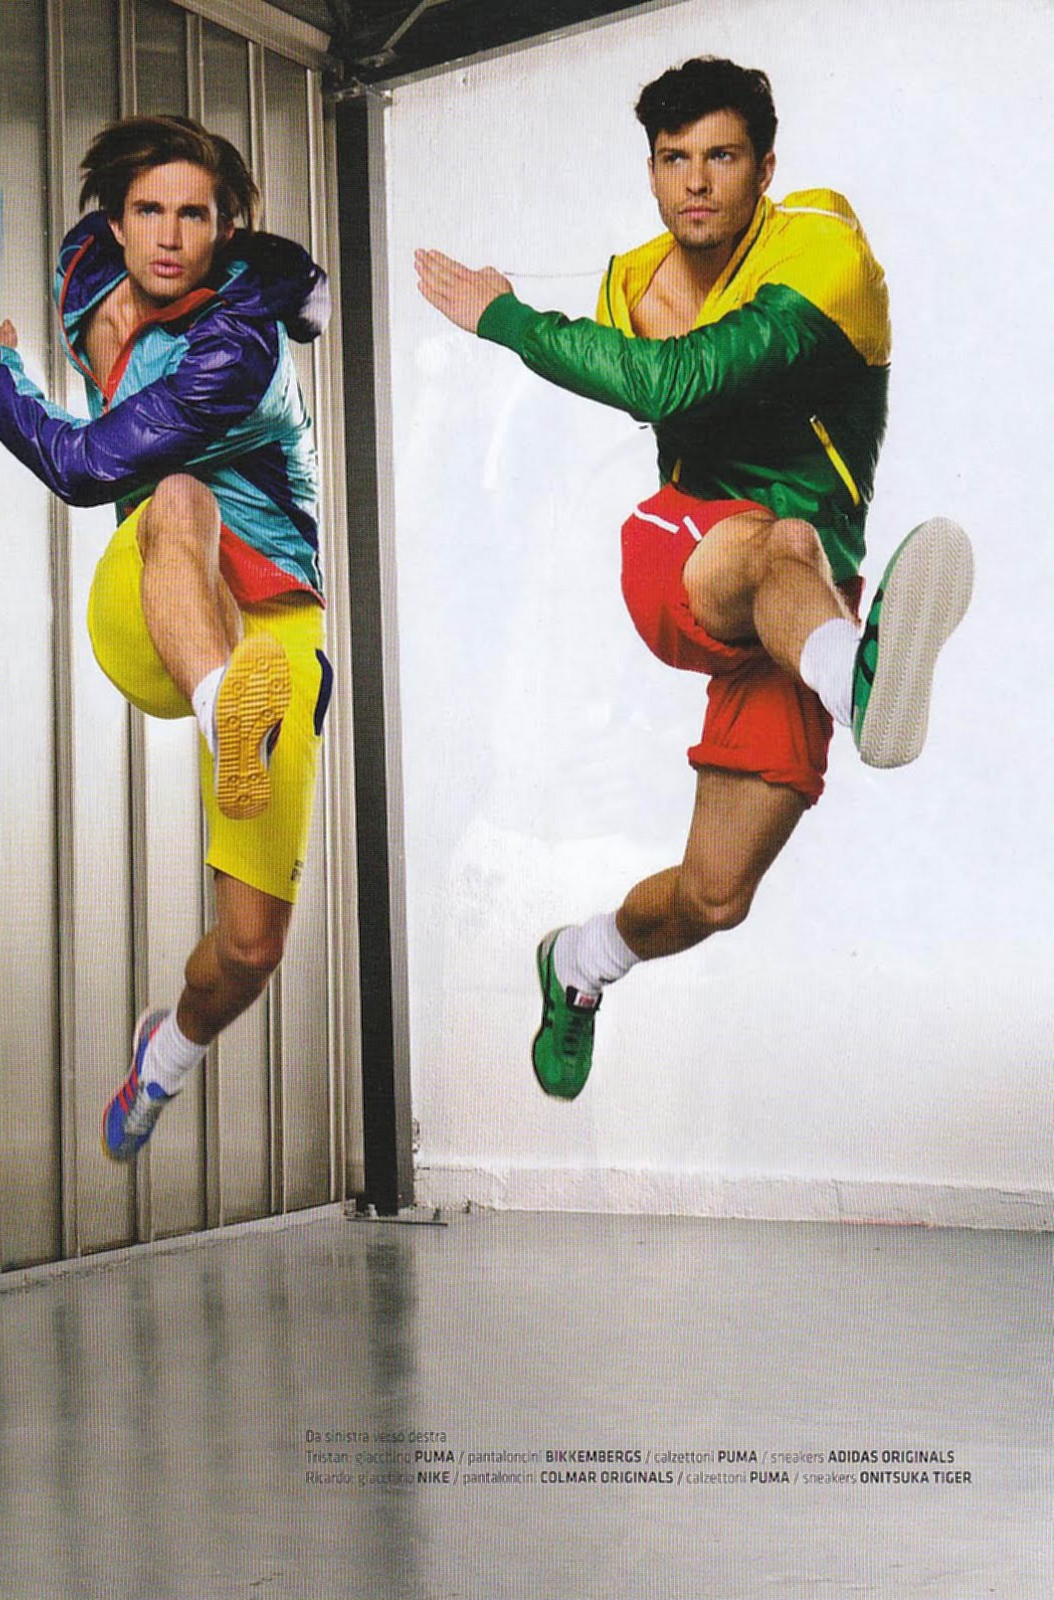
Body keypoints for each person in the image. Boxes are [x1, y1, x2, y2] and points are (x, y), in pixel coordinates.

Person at [416, 57, 973, 1101]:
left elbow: (675, 378)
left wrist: (507, 318)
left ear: (765, 166)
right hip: (686, 548)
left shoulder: (824, 249)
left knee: (716, 896)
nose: (697, 182)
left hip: (801, 607)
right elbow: (655, 392)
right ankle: (855, 677)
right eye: (673, 159)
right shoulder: (629, 282)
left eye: (721, 156)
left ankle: (577, 961)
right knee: (778, 538)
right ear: (651, 170)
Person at [0, 115, 333, 1160]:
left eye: (194, 216)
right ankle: (223, 711)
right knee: (177, 493)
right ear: (111, 223)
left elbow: (81, 464)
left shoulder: (237, 350)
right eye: (147, 212)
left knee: (250, 951)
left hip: (274, 627)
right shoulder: (85, 270)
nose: (167, 236)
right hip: (154, 602)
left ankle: (164, 1058)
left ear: (225, 229)